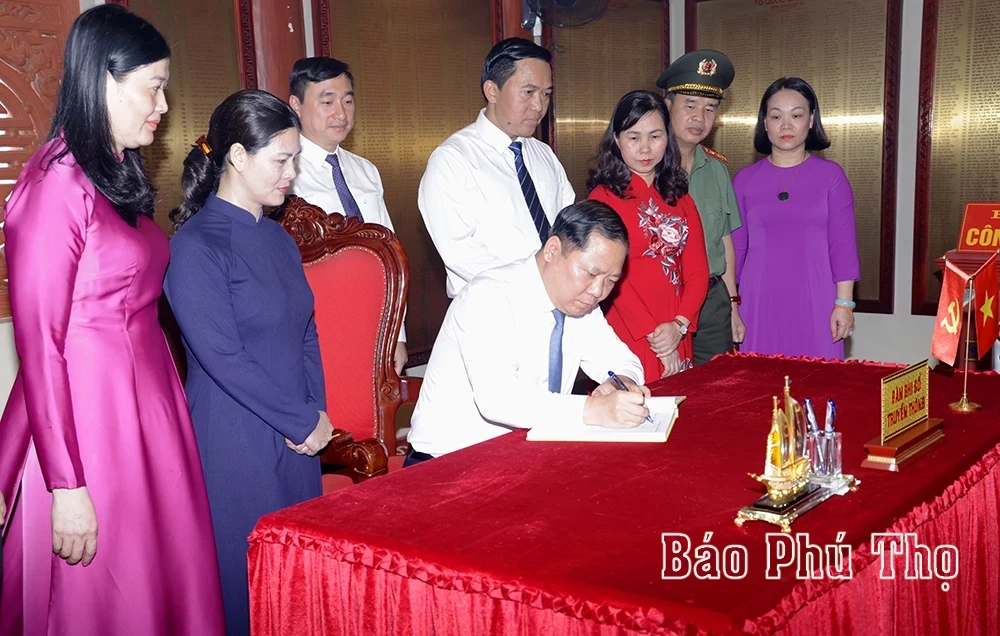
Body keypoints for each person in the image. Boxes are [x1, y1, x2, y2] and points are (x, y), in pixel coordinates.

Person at [0, 6, 225, 634]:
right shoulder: (54, 185)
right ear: (103, 79)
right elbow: (40, 347)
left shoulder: (115, 174)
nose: (162, 103)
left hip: (145, 408)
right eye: (151, 86)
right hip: (91, 425)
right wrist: (66, 485)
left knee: (162, 587)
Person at [164, 90, 333, 636]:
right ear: (237, 156)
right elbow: (222, 358)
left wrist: (315, 415)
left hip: (296, 435)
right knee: (245, 588)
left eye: (295, 159)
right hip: (234, 440)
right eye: (280, 160)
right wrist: (299, 419)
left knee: (297, 586)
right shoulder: (196, 245)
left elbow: (306, 331)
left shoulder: (279, 240)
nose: (291, 173)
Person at [405, 201, 649, 465]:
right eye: (591, 273)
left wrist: (619, 383)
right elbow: (499, 400)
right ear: (553, 250)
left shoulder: (582, 306)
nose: (598, 291)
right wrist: (592, 409)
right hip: (448, 464)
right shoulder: (488, 298)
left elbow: (623, 362)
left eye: (611, 281)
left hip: (527, 456)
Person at [419, 37, 575, 298]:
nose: (539, 106)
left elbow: (569, 224)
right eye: (528, 92)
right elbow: (461, 253)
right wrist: (537, 285)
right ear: (492, 91)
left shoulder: (543, 154)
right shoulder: (452, 160)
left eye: (546, 94)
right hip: (493, 309)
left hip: (556, 299)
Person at [288, 56, 408, 374]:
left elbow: (390, 255)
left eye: (348, 100)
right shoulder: (284, 175)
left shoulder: (365, 170)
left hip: (378, 324)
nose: (341, 113)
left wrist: (398, 333)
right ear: (296, 105)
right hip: (317, 329)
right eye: (327, 101)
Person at [732, 77, 860, 360]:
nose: (786, 125)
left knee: (818, 384)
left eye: (797, 115)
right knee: (759, 388)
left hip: (818, 301)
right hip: (758, 301)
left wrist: (844, 304)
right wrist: (732, 307)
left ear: (811, 120)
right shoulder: (744, 180)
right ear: (765, 123)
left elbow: (843, 244)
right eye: (776, 116)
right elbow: (736, 251)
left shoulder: (831, 176)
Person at [588, 91, 709, 382]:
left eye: (655, 136)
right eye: (634, 137)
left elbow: (697, 271)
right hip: (630, 327)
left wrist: (678, 326)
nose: (645, 148)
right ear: (616, 140)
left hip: (677, 328)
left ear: (667, 138)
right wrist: (657, 337)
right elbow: (610, 279)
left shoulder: (680, 197)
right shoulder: (602, 199)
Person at [657, 50, 745, 364]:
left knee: (717, 388)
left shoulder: (717, 169)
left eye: (710, 108)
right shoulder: (647, 168)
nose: (700, 117)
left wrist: (733, 304)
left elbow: (724, 242)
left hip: (712, 300)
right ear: (667, 106)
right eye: (690, 105)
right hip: (665, 298)